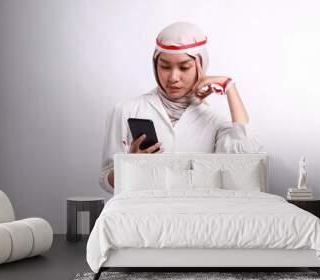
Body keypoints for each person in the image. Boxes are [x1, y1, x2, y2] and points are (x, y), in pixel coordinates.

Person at [99, 22, 263, 194]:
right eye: (165, 66)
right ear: (155, 65)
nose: (173, 77)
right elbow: (106, 181)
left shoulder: (215, 120)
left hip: (195, 216)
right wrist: (129, 165)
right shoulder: (125, 111)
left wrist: (230, 88)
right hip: (141, 216)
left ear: (201, 65)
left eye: (184, 67)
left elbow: (243, 164)